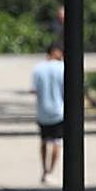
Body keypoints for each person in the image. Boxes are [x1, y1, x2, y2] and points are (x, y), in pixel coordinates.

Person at [32, 43, 65, 183]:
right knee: (57, 142)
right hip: (59, 111)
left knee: (44, 141)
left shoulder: (38, 69)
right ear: (56, 52)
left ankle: (44, 170)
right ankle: (51, 171)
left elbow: (34, 90)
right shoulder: (63, 68)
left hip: (42, 111)